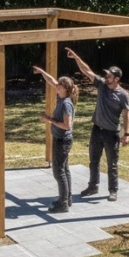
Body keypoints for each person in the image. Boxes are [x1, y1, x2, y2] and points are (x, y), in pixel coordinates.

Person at [65, 48, 129, 201]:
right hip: (97, 130)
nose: (106, 77)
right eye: (107, 75)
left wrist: (126, 134)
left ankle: (113, 190)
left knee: (112, 164)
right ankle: (93, 186)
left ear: (116, 79)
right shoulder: (101, 85)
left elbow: (127, 114)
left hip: (111, 133)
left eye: (110, 75)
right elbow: (86, 71)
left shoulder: (123, 95)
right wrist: (76, 57)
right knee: (93, 161)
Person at [33, 66, 78, 213]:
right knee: (64, 169)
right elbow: (51, 81)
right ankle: (67, 198)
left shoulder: (66, 103)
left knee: (58, 172)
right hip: (61, 140)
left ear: (65, 88)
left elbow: (67, 125)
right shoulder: (63, 96)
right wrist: (42, 72)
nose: (56, 85)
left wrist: (49, 119)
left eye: (59, 85)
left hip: (62, 140)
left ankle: (63, 203)